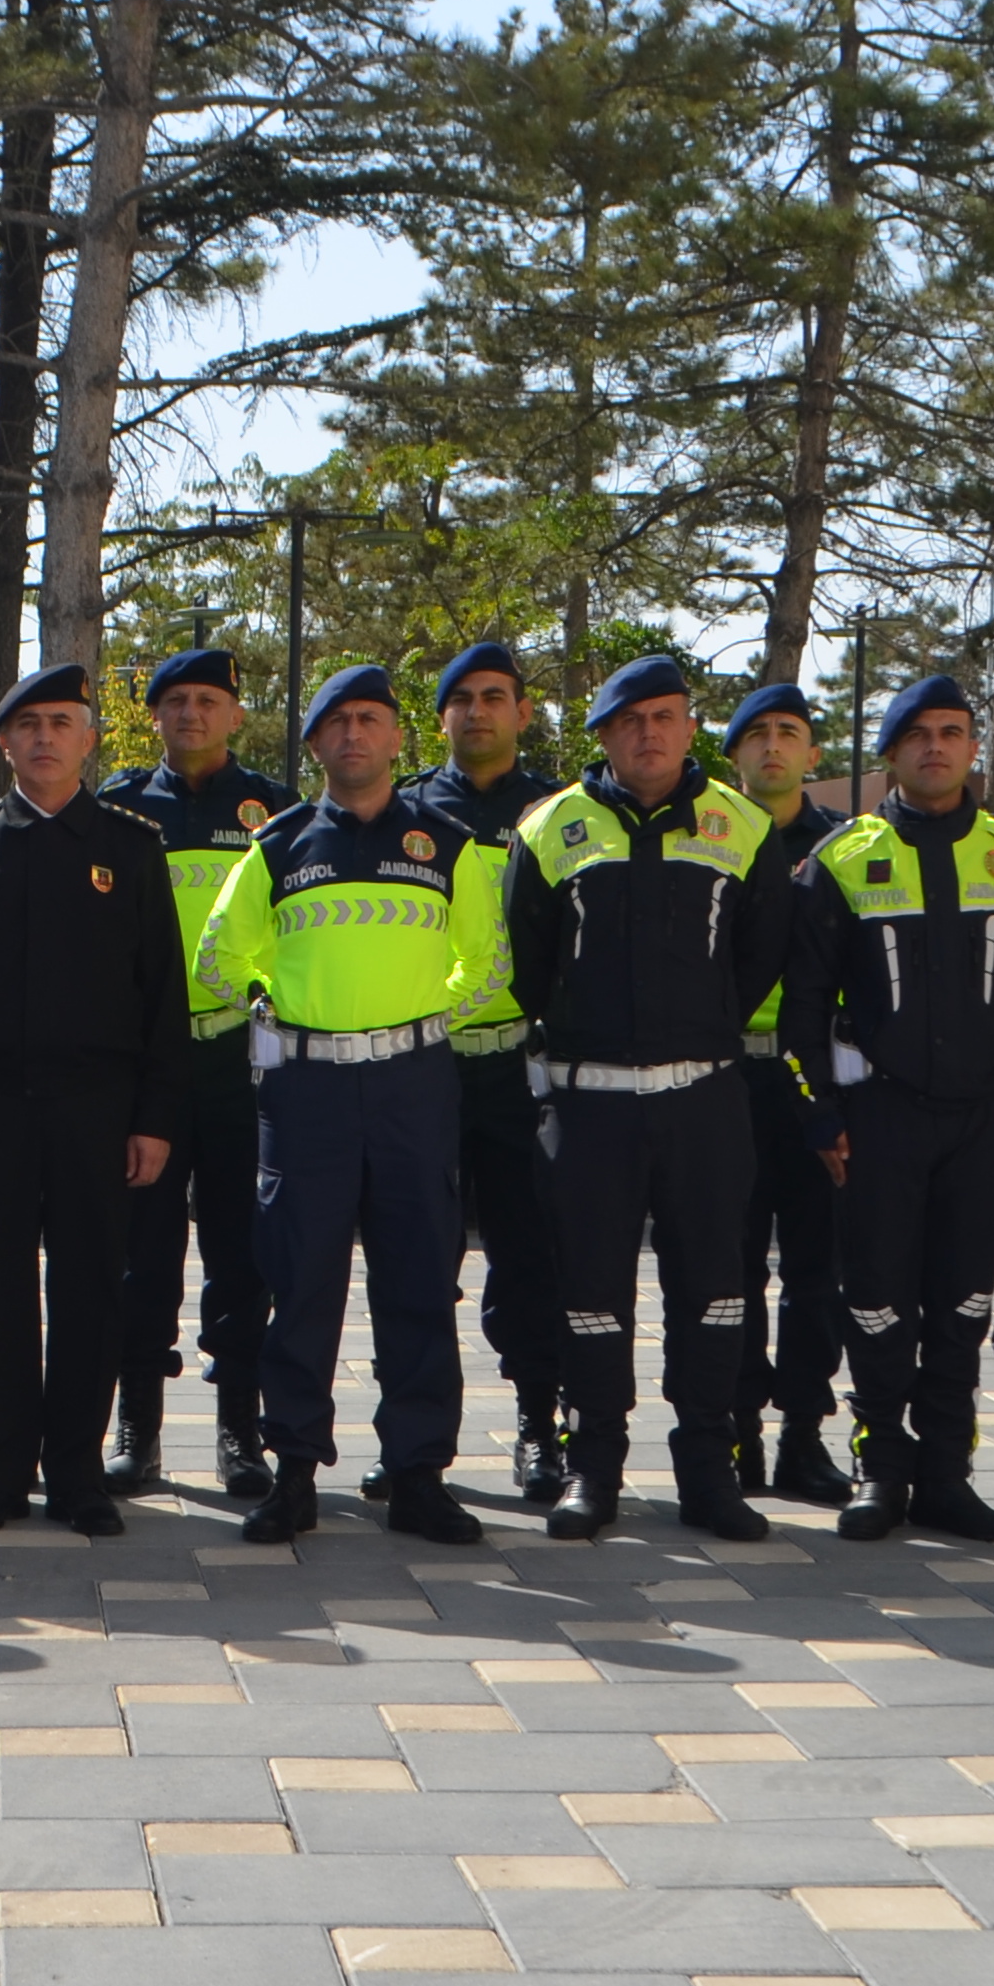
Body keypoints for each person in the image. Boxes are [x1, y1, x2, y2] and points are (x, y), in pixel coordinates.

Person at [205, 665, 502, 1548]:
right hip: (308, 1091)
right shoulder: (278, 846)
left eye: (370, 720)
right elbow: (218, 959)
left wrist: (424, 1016)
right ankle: (293, 1471)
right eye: (335, 724)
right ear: (313, 746)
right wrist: (273, 1003)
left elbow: (489, 963)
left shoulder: (448, 845)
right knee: (301, 1283)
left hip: (414, 1086)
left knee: (417, 1279)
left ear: (399, 738)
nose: (354, 736)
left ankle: (417, 1473)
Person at [507, 652, 783, 1544]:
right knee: (591, 1294)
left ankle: (708, 1469)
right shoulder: (551, 828)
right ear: (601, 736)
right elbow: (529, 963)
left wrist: (694, 1030)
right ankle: (594, 1469)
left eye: (664, 716)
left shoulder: (738, 825)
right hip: (591, 1109)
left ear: (689, 725)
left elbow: (760, 956)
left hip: (703, 1101)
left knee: (714, 1292)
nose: (649, 733)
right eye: (629, 721)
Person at [783, 677, 994, 1543]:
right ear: (891, 752)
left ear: (974, 748)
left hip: (982, 1122)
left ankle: (946, 1472)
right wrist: (822, 1117)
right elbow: (802, 1010)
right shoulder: (838, 858)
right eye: (918, 735)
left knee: (963, 1302)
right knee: (874, 1299)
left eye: (952, 732)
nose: (936, 747)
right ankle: (881, 1469)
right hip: (880, 1122)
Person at [0, 665, 188, 1538]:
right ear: (2, 743)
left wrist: (153, 1119)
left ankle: (76, 1474)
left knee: (89, 1293)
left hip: (95, 1110)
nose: (43, 738)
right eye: (26, 725)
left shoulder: (132, 847)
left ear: (90, 738)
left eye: (61, 723)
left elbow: (162, 999)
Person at [101, 645, 286, 1492]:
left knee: (240, 1251)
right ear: (154, 717)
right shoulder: (118, 808)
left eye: (209, 700)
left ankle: (239, 1428)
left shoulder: (279, 814)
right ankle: (135, 1423)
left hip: (237, 1063)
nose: (191, 714)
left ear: (237, 714)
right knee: (140, 1251)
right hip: (141, 1063)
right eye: (174, 702)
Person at [404, 641, 567, 1505]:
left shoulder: (561, 810)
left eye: (495, 696)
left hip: (519, 1068)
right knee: (418, 1260)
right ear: (441, 718)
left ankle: (541, 1426)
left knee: (529, 1255)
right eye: (461, 699)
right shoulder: (405, 811)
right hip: (427, 1068)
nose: (478, 711)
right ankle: (417, 1442)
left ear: (523, 713)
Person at [716, 684, 849, 1502]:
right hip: (727, 1077)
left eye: (789, 733)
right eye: (757, 734)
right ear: (733, 756)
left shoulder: (842, 847)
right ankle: (737, 1434)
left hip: (815, 1081)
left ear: (813, 753)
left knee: (816, 1270)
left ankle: (804, 1433)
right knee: (729, 1270)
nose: (772, 746)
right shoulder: (710, 839)